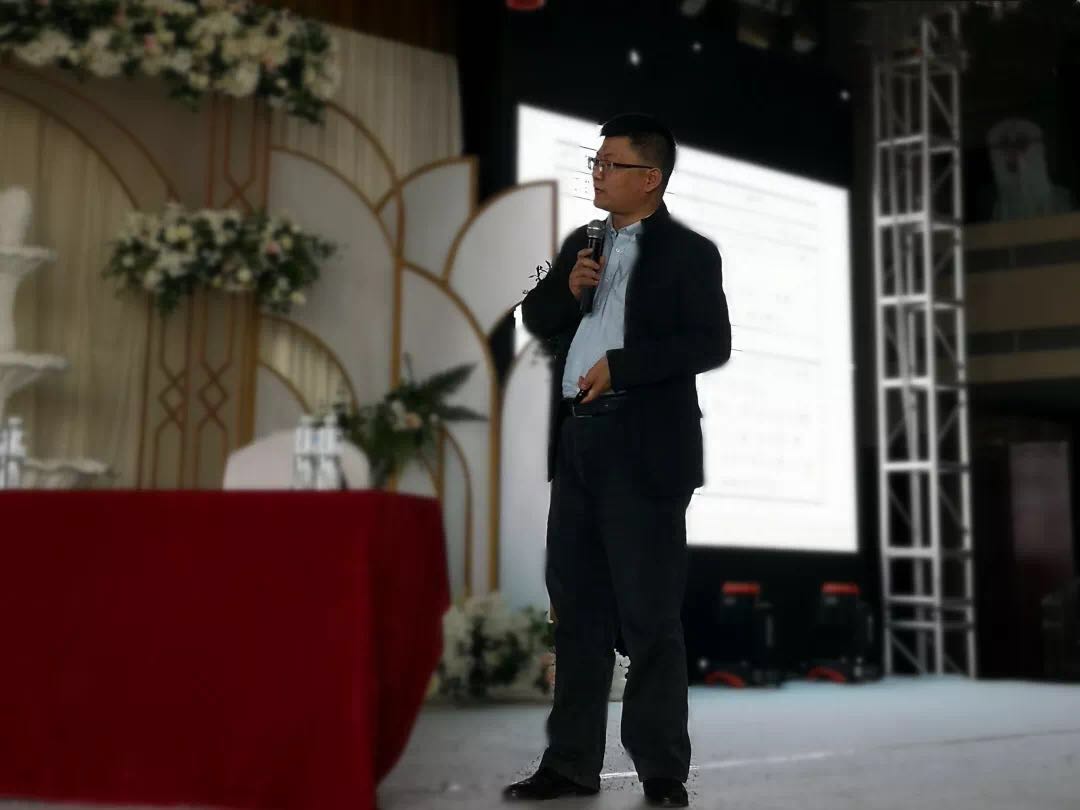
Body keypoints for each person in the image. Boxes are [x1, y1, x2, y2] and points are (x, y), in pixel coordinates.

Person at [505, 113, 731, 808]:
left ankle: (661, 769)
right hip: (577, 440)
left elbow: (710, 343)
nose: (597, 174)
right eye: (596, 162)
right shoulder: (584, 242)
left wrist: (624, 366)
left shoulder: (689, 254)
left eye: (611, 164)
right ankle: (570, 764)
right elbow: (536, 320)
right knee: (576, 613)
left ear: (650, 178)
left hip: (643, 445)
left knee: (648, 613)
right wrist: (566, 290)